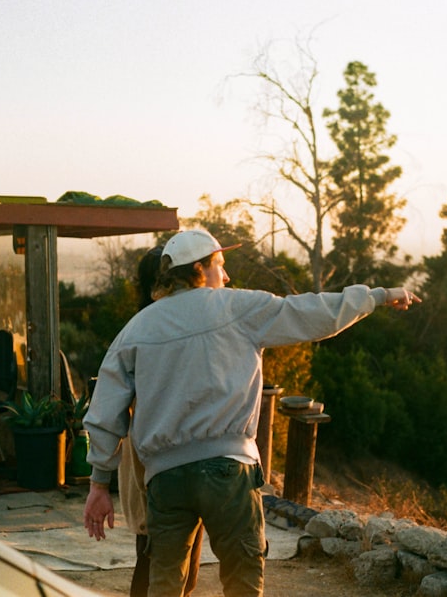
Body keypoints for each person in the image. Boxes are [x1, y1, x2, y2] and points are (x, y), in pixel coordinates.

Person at [83, 228, 420, 597]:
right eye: (220, 266)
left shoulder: (137, 328)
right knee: (243, 578)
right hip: (229, 471)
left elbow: (105, 409)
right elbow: (312, 311)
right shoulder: (238, 307)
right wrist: (378, 296)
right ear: (199, 268)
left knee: (164, 585)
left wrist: (100, 482)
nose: (225, 276)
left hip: (166, 479)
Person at [120, 245, 204, 597]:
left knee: (177, 566)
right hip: (154, 460)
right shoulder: (150, 333)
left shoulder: (149, 327)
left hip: (168, 459)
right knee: (155, 561)